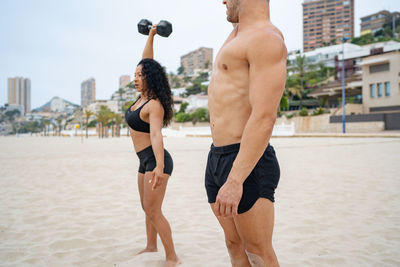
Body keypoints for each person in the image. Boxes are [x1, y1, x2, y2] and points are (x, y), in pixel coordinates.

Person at [205, 0, 287, 266]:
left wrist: (235, 180)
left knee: (259, 253)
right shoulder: (236, 36)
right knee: (234, 246)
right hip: (217, 156)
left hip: (246, 163)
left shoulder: (265, 38)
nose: (223, 1)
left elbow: (264, 116)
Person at [125, 25, 180, 267]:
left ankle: (172, 257)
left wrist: (158, 166)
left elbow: (156, 135)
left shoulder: (154, 104)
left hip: (156, 159)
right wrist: (151, 35)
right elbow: (147, 59)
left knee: (153, 210)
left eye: (139, 75)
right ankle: (151, 245)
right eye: (134, 75)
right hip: (143, 160)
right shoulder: (141, 98)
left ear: (150, 78)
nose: (135, 79)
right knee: (146, 207)